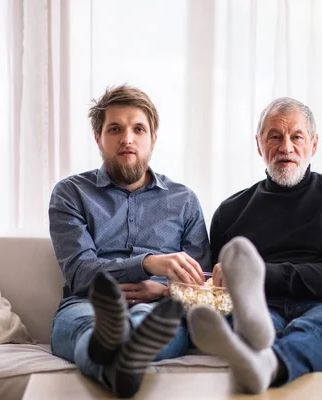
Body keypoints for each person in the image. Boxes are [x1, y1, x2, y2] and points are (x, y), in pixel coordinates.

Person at [187, 97, 322, 393]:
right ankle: (255, 346)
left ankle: (267, 361)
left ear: (313, 144)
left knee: (316, 329)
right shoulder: (230, 211)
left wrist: (258, 274)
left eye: (296, 136)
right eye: (274, 136)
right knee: (253, 323)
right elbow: (217, 282)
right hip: (258, 307)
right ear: (259, 145)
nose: (286, 147)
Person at [49, 84, 211, 398]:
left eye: (138, 129)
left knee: (144, 324)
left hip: (157, 309)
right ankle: (123, 360)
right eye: (115, 129)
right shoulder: (71, 194)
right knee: (88, 327)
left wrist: (164, 289)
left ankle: (118, 360)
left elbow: (200, 282)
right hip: (86, 304)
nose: (127, 139)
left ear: (153, 138)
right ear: (98, 138)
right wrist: (148, 263)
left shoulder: (184, 200)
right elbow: (81, 273)